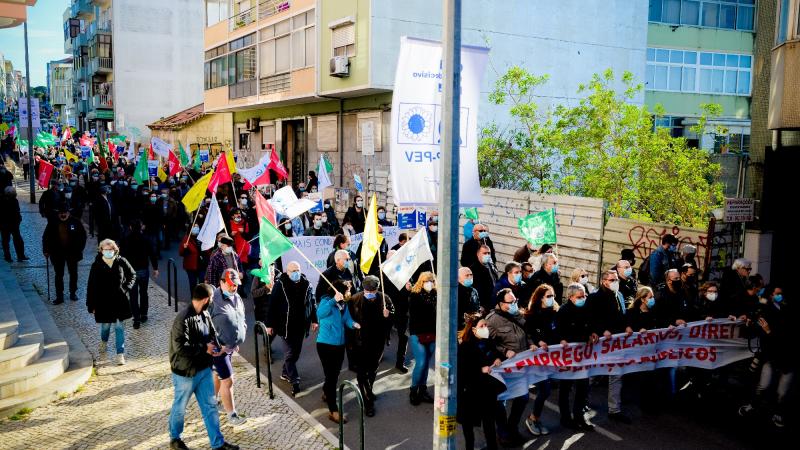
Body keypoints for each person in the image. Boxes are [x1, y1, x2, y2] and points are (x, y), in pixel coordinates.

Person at [168, 283, 240, 450]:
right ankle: (175, 439)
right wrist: (204, 348)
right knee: (180, 407)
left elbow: (213, 335)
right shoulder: (183, 318)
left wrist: (218, 347)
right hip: (185, 373)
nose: (213, 302)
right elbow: (179, 348)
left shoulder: (205, 314)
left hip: (204, 369)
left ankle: (218, 443)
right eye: (212, 299)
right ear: (206, 299)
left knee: (210, 406)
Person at [486, 288, 536, 446]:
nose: (515, 304)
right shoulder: (491, 320)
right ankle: (503, 433)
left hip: (520, 365)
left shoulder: (518, 315)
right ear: (501, 304)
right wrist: (504, 351)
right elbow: (487, 344)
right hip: (501, 367)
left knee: (523, 397)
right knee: (501, 401)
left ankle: (511, 428)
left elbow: (526, 333)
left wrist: (532, 343)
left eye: (515, 300)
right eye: (511, 302)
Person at [738, 285, 793, 428]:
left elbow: (782, 338)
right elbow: (755, 332)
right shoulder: (766, 312)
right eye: (777, 294)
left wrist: (769, 332)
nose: (780, 296)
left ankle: (778, 413)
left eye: (781, 294)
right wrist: (748, 324)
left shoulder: (786, 311)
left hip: (788, 360)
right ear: (771, 296)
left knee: (782, 392)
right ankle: (753, 405)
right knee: (763, 385)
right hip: (772, 357)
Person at [266, 262, 318, 396]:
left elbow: (312, 302)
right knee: (290, 354)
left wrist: (314, 320)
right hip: (285, 326)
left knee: (295, 353)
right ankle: (295, 381)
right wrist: (269, 325)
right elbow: (272, 305)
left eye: (298, 270)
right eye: (293, 270)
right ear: (287, 272)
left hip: (301, 326)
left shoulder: (306, 284)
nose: (296, 273)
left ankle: (285, 372)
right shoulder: (280, 285)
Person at [587, 269, 632, 424]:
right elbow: (590, 319)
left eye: (616, 279)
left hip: (617, 342)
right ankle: (583, 401)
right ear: (604, 281)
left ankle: (615, 410)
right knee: (593, 374)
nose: (615, 282)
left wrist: (626, 326)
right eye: (612, 280)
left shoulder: (619, 295)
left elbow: (623, 315)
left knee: (616, 375)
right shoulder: (594, 298)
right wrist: (601, 330)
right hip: (602, 344)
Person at [348, 275, 394, 417]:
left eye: (372, 292)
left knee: (373, 369)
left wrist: (389, 315)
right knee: (362, 373)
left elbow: (393, 315)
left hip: (377, 341)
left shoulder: (385, 299)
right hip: (360, 342)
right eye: (367, 291)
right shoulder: (355, 299)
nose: (369, 294)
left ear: (377, 290)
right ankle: (368, 403)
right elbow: (348, 320)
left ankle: (369, 390)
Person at [86, 239, 136, 365]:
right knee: (106, 327)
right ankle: (104, 342)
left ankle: (120, 354)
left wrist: (126, 288)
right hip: (103, 302)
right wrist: (91, 304)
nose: (108, 251)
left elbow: (132, 275)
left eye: (111, 249)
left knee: (119, 327)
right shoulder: (96, 265)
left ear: (115, 249)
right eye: (106, 249)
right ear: (101, 250)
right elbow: (91, 286)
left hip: (119, 301)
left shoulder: (121, 261)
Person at [316, 280, 360, 424]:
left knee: (334, 373)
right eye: (348, 290)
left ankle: (325, 391)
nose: (349, 292)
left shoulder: (344, 304)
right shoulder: (326, 301)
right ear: (339, 291)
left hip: (340, 344)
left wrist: (353, 324)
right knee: (331, 377)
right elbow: (320, 314)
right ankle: (333, 411)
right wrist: (332, 301)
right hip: (325, 344)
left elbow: (346, 319)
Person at [457, 315, 503, 450]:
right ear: (473, 329)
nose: (485, 328)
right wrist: (480, 370)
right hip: (469, 393)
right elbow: (462, 371)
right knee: (468, 426)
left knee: (489, 423)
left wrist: (497, 359)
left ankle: (492, 447)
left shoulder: (489, 342)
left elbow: (495, 353)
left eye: (486, 325)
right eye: (482, 326)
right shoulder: (465, 347)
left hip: (487, 390)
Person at [555, 283, 595, 431]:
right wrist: (561, 340)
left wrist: (592, 333)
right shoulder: (563, 311)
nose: (583, 298)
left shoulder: (587, 309)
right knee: (565, 388)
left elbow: (590, 324)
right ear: (571, 297)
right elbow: (557, 331)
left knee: (583, 388)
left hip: (583, 356)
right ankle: (565, 418)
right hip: (568, 356)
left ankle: (579, 417)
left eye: (584, 295)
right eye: (579, 297)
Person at [210, 269, 248, 426]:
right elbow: (203, 324)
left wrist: (235, 342)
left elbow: (241, 318)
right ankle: (232, 416)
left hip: (230, 346)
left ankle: (212, 402)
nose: (234, 288)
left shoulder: (237, 297)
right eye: (231, 285)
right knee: (228, 381)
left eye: (236, 285)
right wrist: (215, 345)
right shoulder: (212, 300)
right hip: (219, 349)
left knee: (217, 374)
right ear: (222, 283)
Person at [523, 284, 559, 436]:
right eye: (548, 296)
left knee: (547, 389)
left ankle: (535, 417)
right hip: (538, 358)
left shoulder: (556, 312)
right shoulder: (531, 315)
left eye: (553, 296)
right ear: (540, 298)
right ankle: (532, 418)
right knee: (544, 390)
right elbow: (528, 335)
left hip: (553, 358)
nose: (552, 299)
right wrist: (537, 343)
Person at [42, 206, 87, 304]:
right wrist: (46, 250)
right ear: (58, 213)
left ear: (68, 213)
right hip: (57, 253)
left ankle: (73, 293)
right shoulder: (52, 223)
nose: (63, 215)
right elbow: (46, 237)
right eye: (61, 213)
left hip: (72, 254)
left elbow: (83, 236)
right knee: (59, 275)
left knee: (73, 274)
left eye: (65, 213)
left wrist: (79, 249)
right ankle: (59, 296)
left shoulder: (75, 222)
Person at [120, 219, 159, 329]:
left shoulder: (126, 239)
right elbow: (152, 253)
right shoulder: (146, 239)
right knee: (143, 292)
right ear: (140, 227)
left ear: (131, 228)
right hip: (143, 270)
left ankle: (136, 319)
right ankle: (144, 314)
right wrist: (155, 268)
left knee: (133, 295)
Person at [408, 272, 437, 405]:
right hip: (417, 334)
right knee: (421, 362)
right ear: (421, 282)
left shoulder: (436, 294)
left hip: (432, 334)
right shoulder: (414, 295)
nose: (429, 283)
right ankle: (413, 390)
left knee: (426, 363)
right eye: (426, 281)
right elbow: (415, 316)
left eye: (431, 280)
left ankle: (423, 389)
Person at [1, 186, 28, 262]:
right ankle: (9, 257)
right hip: (7, 224)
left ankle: (19, 256)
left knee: (16, 240)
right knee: (7, 241)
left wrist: (19, 219)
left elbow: (17, 211)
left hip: (13, 224)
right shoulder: (5, 201)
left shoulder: (14, 201)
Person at [470, 245, 499, 311]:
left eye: (489, 253)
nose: (487, 255)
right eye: (484, 253)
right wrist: (482, 305)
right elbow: (476, 289)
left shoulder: (492, 266)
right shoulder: (473, 269)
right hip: (484, 305)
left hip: (494, 301)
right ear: (478, 254)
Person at [178, 224, 203, 299]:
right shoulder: (187, 238)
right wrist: (184, 248)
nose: (196, 228)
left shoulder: (202, 237)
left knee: (202, 283)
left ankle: (201, 299)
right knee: (193, 284)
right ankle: (194, 300)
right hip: (191, 266)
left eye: (197, 227)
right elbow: (181, 253)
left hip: (201, 265)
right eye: (194, 227)